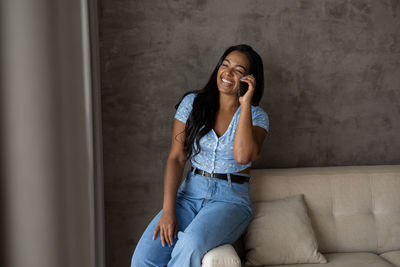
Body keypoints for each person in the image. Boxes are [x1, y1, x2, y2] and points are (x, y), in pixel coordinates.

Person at [130, 44, 269, 267]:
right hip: (190, 193)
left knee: (191, 244)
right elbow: (176, 158)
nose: (228, 72)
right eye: (225, 65)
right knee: (145, 257)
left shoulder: (257, 117)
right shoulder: (192, 103)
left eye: (238, 70)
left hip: (230, 199)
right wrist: (168, 210)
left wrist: (244, 105)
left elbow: (243, 156)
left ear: (250, 79)